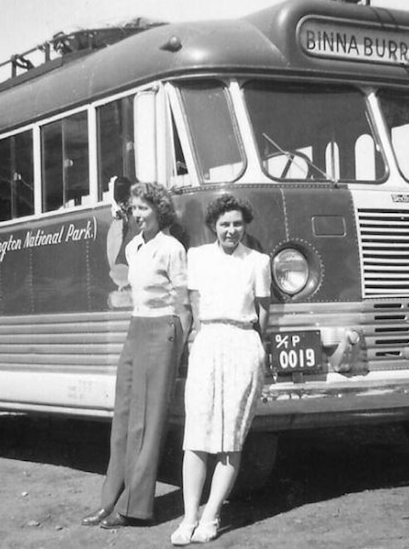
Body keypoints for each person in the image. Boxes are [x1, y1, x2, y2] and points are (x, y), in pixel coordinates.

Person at [82, 181, 191, 529]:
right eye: (135, 208)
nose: (139, 214)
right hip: (136, 329)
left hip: (163, 331)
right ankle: (109, 499)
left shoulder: (172, 249)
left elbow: (184, 303)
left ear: (160, 210)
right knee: (124, 416)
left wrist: (179, 343)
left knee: (147, 422)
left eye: (145, 208)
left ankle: (135, 507)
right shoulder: (134, 247)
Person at [171, 194, 270, 545]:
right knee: (196, 437)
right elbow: (194, 306)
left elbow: (263, 311)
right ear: (214, 225)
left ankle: (211, 516)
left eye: (238, 224)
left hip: (243, 342)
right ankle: (189, 517)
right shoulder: (197, 257)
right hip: (208, 342)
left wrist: (257, 347)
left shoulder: (258, 261)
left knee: (230, 439)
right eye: (225, 224)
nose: (231, 230)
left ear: (245, 226)